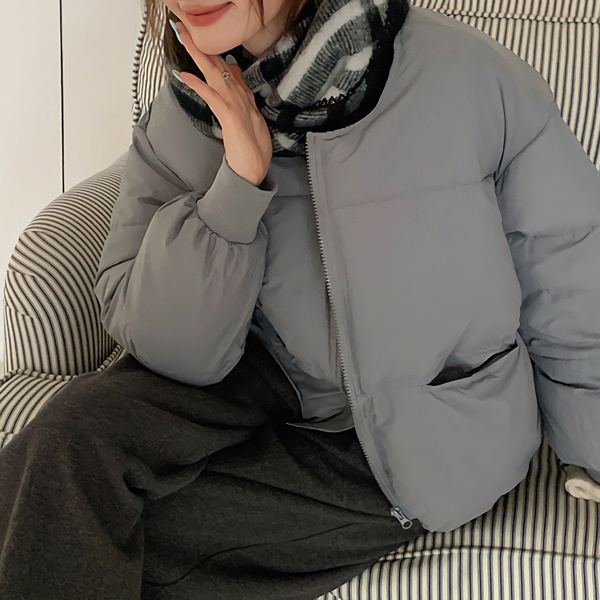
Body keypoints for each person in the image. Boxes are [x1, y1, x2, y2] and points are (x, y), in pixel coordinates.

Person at [1, 0, 599, 598]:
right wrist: (237, 183)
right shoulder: (184, 112)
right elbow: (173, 350)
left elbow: (569, 271)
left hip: (413, 433)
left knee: (71, 539)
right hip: (264, 375)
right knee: (61, 459)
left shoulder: (467, 75)